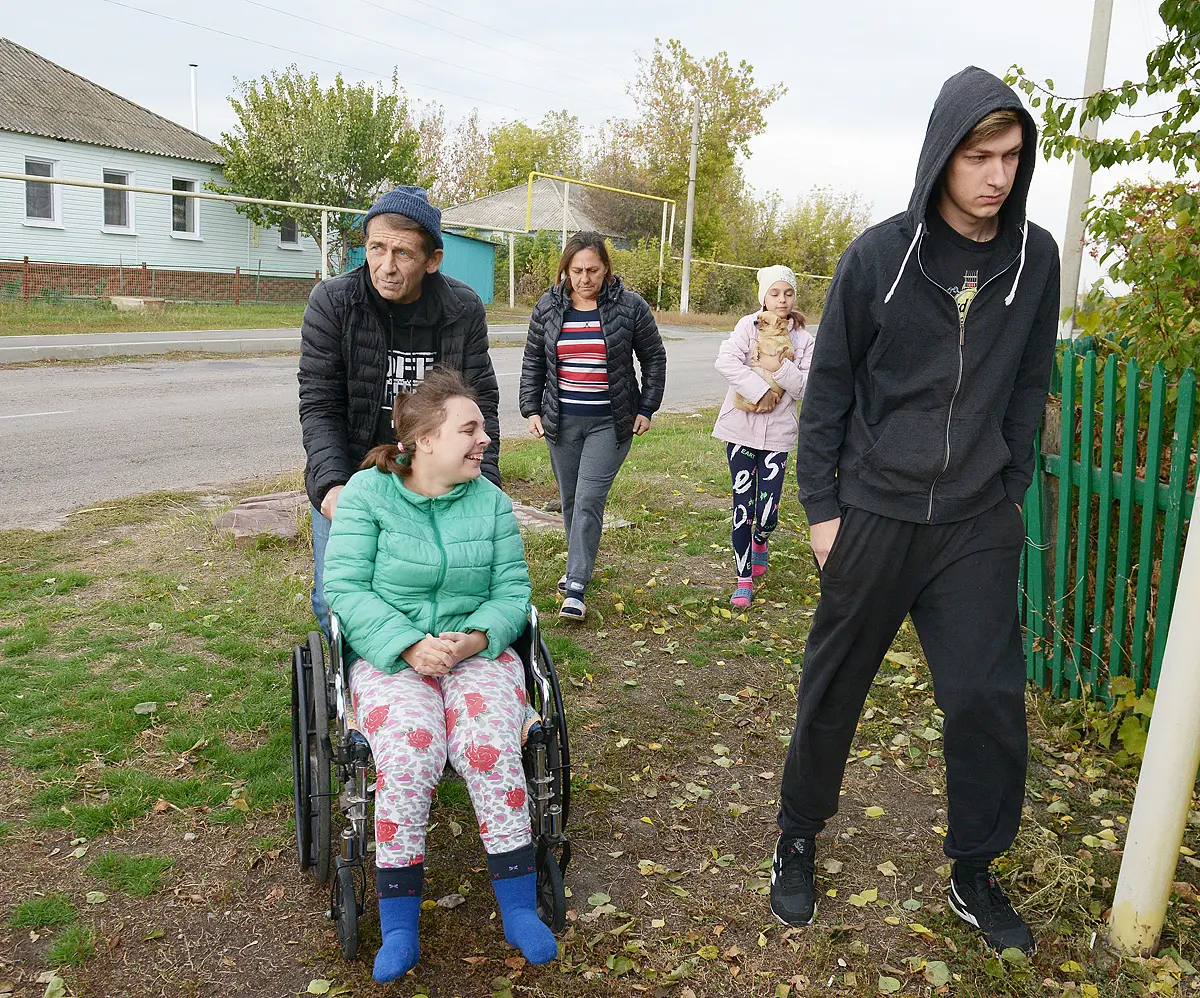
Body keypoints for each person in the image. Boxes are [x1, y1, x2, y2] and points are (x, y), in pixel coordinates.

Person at [771, 67, 1060, 956]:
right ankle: (798, 833)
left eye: (1012, 157)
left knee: (984, 700)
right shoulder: (877, 258)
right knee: (835, 688)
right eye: (980, 155)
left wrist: (1007, 491)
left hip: (975, 519)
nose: (998, 176)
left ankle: (974, 869)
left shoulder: (1035, 258)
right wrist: (823, 511)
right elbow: (828, 397)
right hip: (874, 514)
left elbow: (1028, 386)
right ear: (942, 155)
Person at [321, 368, 557, 983]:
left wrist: (477, 637)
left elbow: (513, 593)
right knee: (408, 750)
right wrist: (406, 645)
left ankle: (517, 910)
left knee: (485, 745)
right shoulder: (367, 496)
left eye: (482, 429)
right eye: (470, 430)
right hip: (390, 656)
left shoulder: (492, 502)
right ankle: (400, 926)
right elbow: (343, 588)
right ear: (425, 440)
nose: (485, 440)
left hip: (474, 650)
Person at [299, 185, 501, 639]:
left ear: (433, 260)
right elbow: (320, 403)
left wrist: (483, 479)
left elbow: (479, 400)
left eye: (403, 253)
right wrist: (332, 485)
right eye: (376, 248)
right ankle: (364, 699)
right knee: (337, 598)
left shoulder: (462, 308)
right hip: (354, 469)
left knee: (446, 589)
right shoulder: (333, 303)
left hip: (433, 472)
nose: (386, 267)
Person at [519, 231, 667, 621]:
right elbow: (533, 361)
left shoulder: (630, 307)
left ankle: (577, 585)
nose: (585, 278)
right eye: (577, 270)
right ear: (565, 269)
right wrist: (531, 409)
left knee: (588, 499)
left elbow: (653, 358)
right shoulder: (548, 307)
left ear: (606, 269)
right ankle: (577, 567)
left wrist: (647, 407)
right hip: (561, 422)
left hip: (610, 423)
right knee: (570, 500)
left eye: (593, 270)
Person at [712, 265, 817, 607]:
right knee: (742, 506)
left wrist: (779, 368)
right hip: (740, 430)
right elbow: (726, 362)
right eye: (775, 293)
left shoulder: (803, 338)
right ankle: (743, 580)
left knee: (768, 509)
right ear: (763, 296)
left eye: (788, 293)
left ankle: (762, 537)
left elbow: (806, 387)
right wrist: (760, 390)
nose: (782, 300)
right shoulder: (748, 325)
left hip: (778, 435)